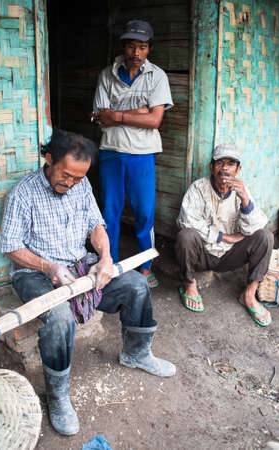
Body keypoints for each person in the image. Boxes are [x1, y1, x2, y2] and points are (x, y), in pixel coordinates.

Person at [0, 129, 176, 437]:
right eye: (66, 175)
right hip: (35, 273)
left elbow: (97, 226)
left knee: (135, 284)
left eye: (78, 178)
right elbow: (11, 245)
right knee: (59, 319)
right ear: (49, 159)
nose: (70, 183)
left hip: (81, 266)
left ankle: (136, 352)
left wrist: (105, 258)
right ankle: (58, 395)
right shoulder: (24, 193)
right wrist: (48, 266)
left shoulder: (81, 187)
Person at [92, 19, 173, 288]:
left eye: (142, 47)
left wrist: (119, 115)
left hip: (142, 153)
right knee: (110, 211)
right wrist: (141, 111)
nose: (136, 53)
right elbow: (101, 118)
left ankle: (145, 265)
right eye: (131, 46)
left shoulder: (157, 76)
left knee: (144, 212)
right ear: (123, 47)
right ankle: (109, 264)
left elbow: (155, 121)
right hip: (112, 152)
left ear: (149, 49)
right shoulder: (108, 74)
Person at [175, 143, 274, 327]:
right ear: (211, 167)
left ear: (238, 169)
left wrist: (245, 199)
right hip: (203, 254)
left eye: (231, 164)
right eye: (220, 163)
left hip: (230, 256)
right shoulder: (198, 188)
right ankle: (189, 284)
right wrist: (224, 237)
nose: (225, 169)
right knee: (185, 235)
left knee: (265, 237)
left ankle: (249, 294)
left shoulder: (242, 190)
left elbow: (257, 225)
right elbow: (185, 220)